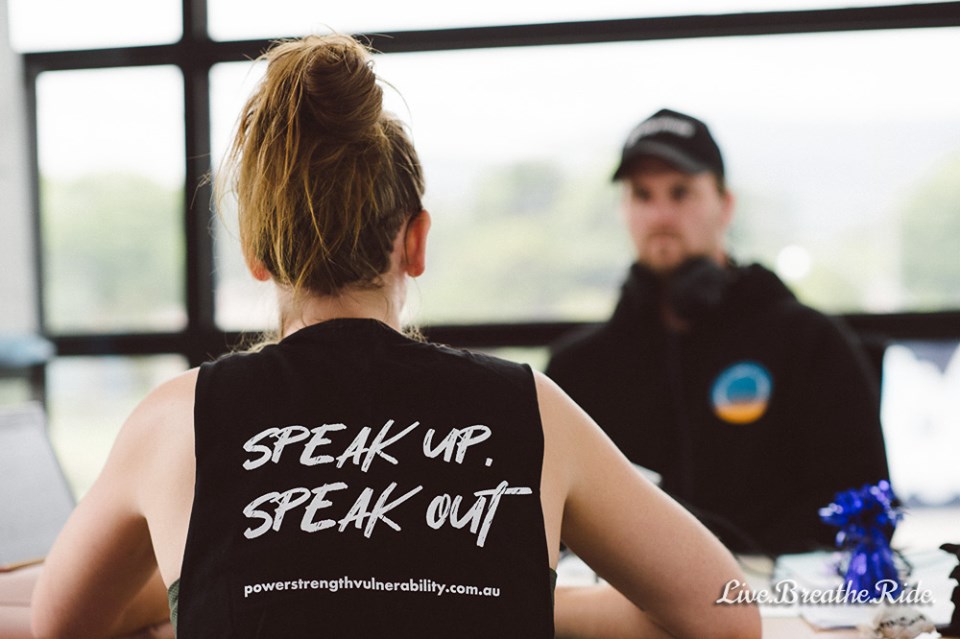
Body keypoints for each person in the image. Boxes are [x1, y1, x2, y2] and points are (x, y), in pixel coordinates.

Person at [30, 37, 759, 639]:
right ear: (415, 242)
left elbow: (60, 622)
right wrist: (529, 602)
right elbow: (728, 612)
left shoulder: (174, 420)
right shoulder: (529, 408)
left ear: (258, 253)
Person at [546, 108, 891, 557]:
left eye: (681, 192)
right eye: (642, 195)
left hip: (776, 604)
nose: (661, 214)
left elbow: (865, 507)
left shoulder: (809, 342)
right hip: (620, 608)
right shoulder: (579, 369)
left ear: (725, 204)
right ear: (624, 209)